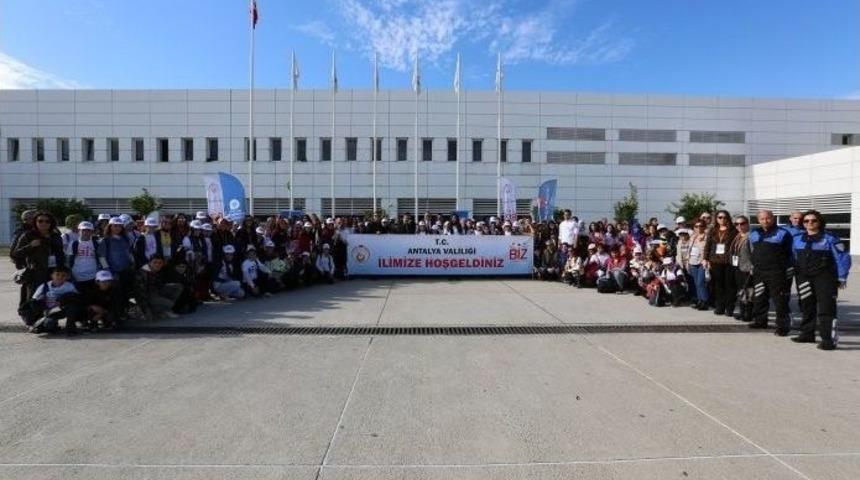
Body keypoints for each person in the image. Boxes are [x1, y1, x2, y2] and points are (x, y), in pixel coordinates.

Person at [791, 210, 851, 350]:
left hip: (825, 278)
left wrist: (842, 277)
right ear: (802, 223)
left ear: (820, 222)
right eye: (806, 221)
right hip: (804, 278)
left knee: (826, 309)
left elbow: (842, 257)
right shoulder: (797, 239)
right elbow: (793, 257)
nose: (810, 223)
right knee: (806, 306)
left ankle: (828, 339)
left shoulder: (830, 238)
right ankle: (807, 334)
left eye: (813, 221)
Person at [12, 211, 66, 325]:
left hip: (53, 273)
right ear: (35, 222)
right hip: (35, 272)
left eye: (47, 221)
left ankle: (50, 322)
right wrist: (30, 245)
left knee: (52, 298)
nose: (43, 223)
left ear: (51, 223)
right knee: (34, 298)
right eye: (40, 221)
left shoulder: (56, 236)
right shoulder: (28, 235)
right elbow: (15, 253)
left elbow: (61, 254)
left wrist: (61, 271)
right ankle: (32, 322)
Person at [747, 210, 793, 334]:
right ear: (758, 220)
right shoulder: (754, 233)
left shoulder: (783, 233)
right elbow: (751, 251)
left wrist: (788, 269)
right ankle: (760, 321)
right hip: (759, 272)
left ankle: (782, 327)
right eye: (762, 219)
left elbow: (791, 253)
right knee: (760, 298)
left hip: (777, 273)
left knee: (780, 301)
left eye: (768, 218)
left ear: (773, 218)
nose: (765, 221)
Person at [27, 266, 82, 335]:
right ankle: (46, 325)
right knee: (48, 325)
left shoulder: (69, 286)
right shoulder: (45, 286)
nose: (60, 277)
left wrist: (63, 300)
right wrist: (42, 309)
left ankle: (70, 327)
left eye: (63, 275)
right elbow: (34, 300)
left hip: (62, 309)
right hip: (48, 311)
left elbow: (76, 298)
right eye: (57, 274)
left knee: (72, 306)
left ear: (67, 277)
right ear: (52, 275)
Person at [703, 210, 737, 316]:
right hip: (715, 261)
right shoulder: (713, 230)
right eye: (720, 217)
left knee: (729, 285)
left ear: (728, 218)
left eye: (724, 217)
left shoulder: (733, 230)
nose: (722, 219)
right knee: (718, 285)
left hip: (728, 261)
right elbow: (708, 245)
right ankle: (720, 307)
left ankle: (729, 308)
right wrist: (705, 259)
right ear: (716, 219)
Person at [133, 255, 182, 321]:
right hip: (148, 295)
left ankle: (164, 310)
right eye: (155, 262)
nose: (157, 265)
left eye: (160, 263)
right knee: (170, 303)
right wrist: (147, 312)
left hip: (157, 291)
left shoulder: (158, 270)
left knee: (178, 287)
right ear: (149, 263)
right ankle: (160, 311)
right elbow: (140, 294)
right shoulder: (141, 273)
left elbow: (159, 284)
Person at [730, 216, 754, 322]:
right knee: (741, 291)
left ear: (747, 224)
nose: (739, 226)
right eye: (737, 224)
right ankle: (742, 312)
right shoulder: (738, 236)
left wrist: (753, 266)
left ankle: (748, 314)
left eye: (742, 223)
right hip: (737, 267)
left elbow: (754, 253)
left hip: (747, 268)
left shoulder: (751, 236)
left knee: (748, 291)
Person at [68, 221, 100, 297]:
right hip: (77, 276)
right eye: (83, 230)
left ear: (92, 232)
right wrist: (70, 274)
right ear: (79, 231)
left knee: (92, 296)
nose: (85, 232)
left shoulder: (96, 243)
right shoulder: (73, 244)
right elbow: (69, 260)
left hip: (93, 275)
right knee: (80, 297)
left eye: (88, 230)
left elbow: (101, 258)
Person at [688, 220, 709, 310]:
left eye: (701, 226)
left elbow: (707, 250)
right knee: (696, 283)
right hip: (692, 261)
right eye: (696, 226)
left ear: (704, 227)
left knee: (701, 282)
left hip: (701, 262)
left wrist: (706, 260)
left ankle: (705, 301)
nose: (699, 228)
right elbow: (689, 250)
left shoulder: (707, 237)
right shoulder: (692, 237)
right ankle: (700, 300)